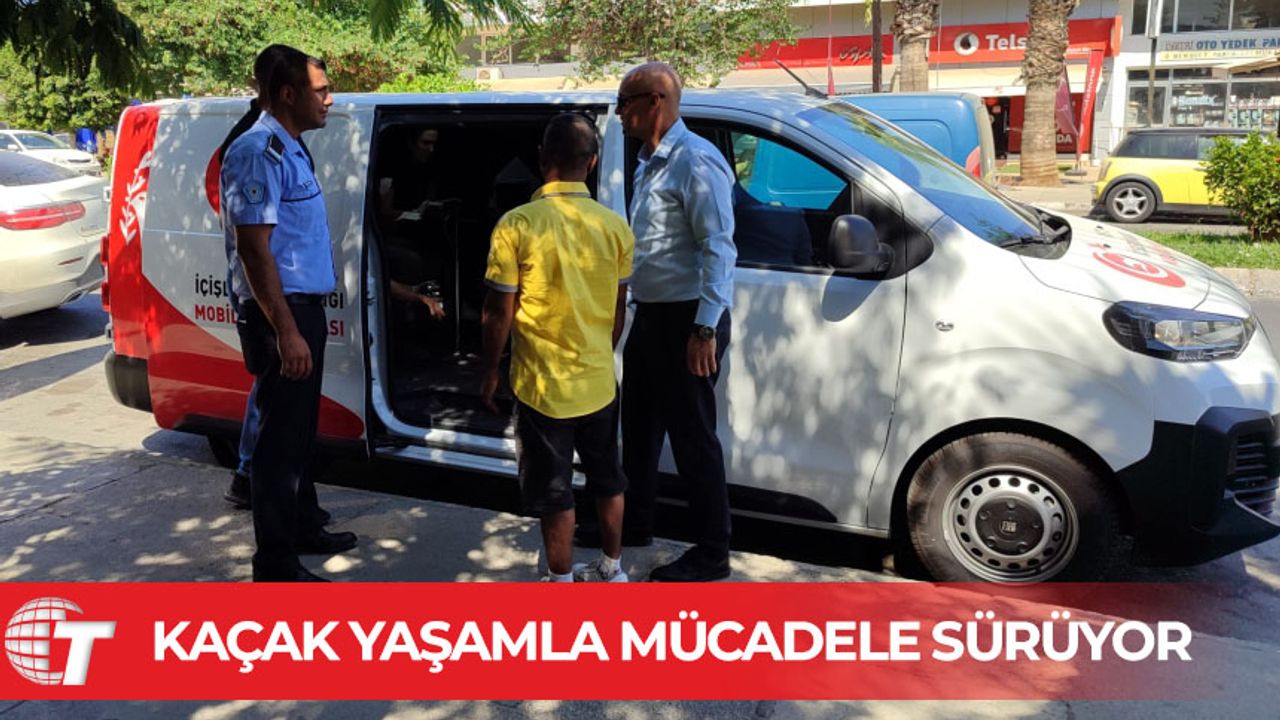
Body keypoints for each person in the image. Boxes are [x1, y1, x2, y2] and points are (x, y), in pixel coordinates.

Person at [479, 113, 634, 583]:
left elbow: (498, 313)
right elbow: (618, 310)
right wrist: (599, 352)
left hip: (541, 387)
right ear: (592, 163)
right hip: (598, 382)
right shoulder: (615, 228)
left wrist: (491, 371)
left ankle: (561, 580)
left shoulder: (516, 225)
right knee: (608, 478)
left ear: (542, 159)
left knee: (554, 491)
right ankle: (613, 568)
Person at [222, 46, 355, 582]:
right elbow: (255, 250)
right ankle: (275, 564)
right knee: (278, 444)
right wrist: (286, 330)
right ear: (287, 94)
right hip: (281, 314)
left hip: (300, 309)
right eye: (320, 90)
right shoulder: (258, 151)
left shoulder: (290, 146)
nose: (329, 99)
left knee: (299, 432)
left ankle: (303, 526)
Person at [613, 61, 736, 582]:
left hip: (689, 320)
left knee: (693, 439)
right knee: (639, 429)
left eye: (625, 103)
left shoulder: (695, 161)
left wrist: (704, 329)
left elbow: (719, 249)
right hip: (653, 315)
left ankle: (712, 551)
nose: (619, 114)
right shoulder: (649, 161)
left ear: (655, 101)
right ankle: (635, 524)